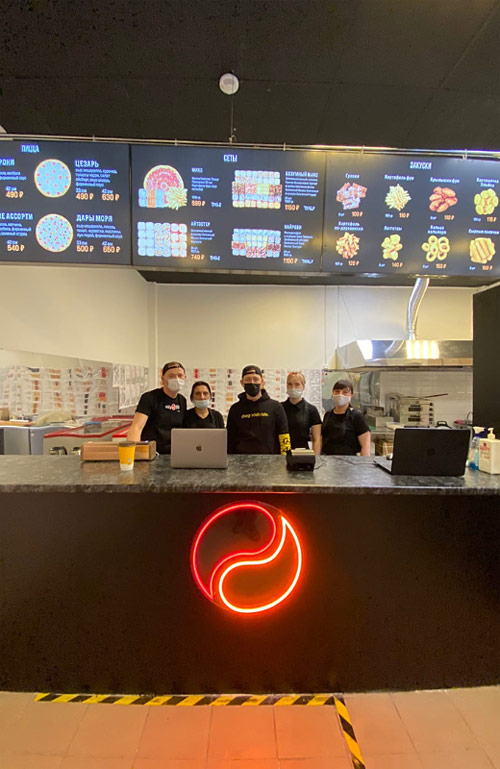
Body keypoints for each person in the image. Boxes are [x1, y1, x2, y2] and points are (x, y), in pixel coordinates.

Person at [227, 365, 291, 455]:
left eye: (255, 379)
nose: (252, 382)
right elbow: (229, 440)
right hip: (241, 461)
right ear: (242, 383)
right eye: (248, 379)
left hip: (270, 461)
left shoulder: (276, 407)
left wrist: (284, 459)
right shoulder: (235, 409)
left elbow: (284, 436)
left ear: (262, 382)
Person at [127, 361, 187, 453]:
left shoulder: (182, 400)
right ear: (163, 379)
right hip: (152, 453)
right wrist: (135, 454)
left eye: (180, 375)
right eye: (171, 376)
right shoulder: (149, 398)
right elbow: (136, 428)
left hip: (174, 452)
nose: (176, 379)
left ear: (185, 378)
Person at [321, 379, 370, 456]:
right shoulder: (328, 414)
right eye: (337, 391)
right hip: (327, 459)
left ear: (351, 395)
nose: (340, 395)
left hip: (349, 461)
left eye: (345, 392)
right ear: (332, 394)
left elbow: (365, 446)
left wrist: (364, 462)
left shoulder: (357, 416)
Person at [281, 371, 322, 454]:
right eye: (290, 384)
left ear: (303, 386)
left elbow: (317, 439)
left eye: (297, 384)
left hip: (303, 453)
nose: (293, 388)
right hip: (282, 452)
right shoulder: (279, 408)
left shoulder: (311, 409)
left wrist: (315, 458)